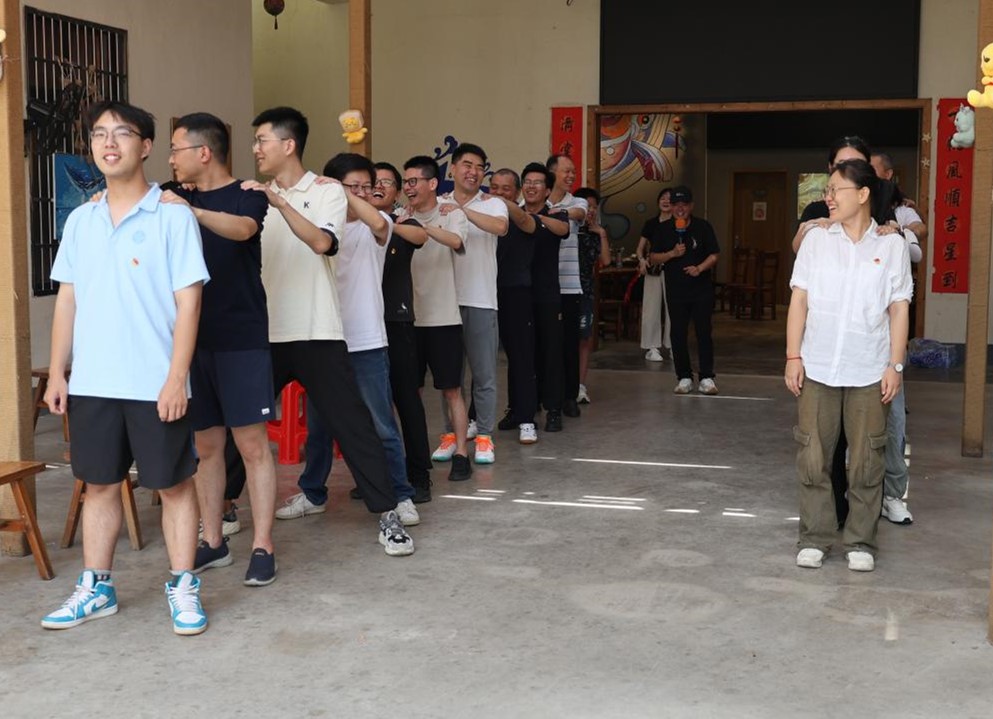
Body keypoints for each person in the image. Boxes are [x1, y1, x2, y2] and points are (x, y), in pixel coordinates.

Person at [42, 101, 210, 635]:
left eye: (121, 133)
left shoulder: (174, 217)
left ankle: (183, 585)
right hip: (94, 382)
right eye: (98, 134)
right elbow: (68, 300)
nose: (108, 143)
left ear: (146, 146)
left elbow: (189, 304)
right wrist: (58, 372)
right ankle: (97, 588)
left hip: (155, 382)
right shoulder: (82, 220)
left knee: (174, 485)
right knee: (99, 485)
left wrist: (176, 378)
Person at [242, 106, 411, 557]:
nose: (256, 148)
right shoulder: (254, 195)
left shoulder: (326, 191)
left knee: (354, 426)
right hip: (267, 332)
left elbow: (322, 242)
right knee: (240, 422)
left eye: (262, 140)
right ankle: (222, 508)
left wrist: (281, 203)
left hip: (318, 330)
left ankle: (388, 514)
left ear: (288, 144)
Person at [275, 154, 420, 549]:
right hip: (324, 339)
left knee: (381, 425)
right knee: (321, 426)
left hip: (366, 341)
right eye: (350, 186)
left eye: (365, 187)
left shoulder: (375, 225)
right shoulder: (319, 228)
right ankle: (313, 493)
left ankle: (400, 494)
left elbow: (379, 222)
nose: (361, 194)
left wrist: (342, 193)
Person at [161, 112, 279, 587]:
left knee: (251, 445)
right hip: (190, 342)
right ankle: (213, 541)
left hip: (241, 338)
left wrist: (190, 212)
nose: (171, 159)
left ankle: (263, 545)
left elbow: (243, 230)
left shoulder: (247, 195)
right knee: (206, 447)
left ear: (204, 152)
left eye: (176, 149)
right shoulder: (172, 195)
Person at [786, 159, 912, 573]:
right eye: (827, 190)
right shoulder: (816, 241)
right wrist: (793, 356)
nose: (828, 197)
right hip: (818, 366)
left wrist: (895, 365)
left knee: (866, 460)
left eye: (835, 189)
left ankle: (860, 540)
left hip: (869, 369)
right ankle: (815, 537)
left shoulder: (891, 246)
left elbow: (899, 308)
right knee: (813, 456)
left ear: (862, 194)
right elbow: (799, 300)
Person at [404, 155, 473, 481]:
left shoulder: (451, 213)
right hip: (408, 320)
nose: (408, 187)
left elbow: (456, 241)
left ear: (432, 183)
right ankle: (413, 457)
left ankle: (461, 454)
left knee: (451, 390)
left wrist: (422, 227)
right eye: (405, 182)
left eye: (414, 181)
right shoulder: (400, 216)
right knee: (409, 393)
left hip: (444, 318)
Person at [438, 143, 509, 465]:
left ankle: (484, 437)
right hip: (444, 302)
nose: (474, 171)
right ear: (452, 168)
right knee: (449, 377)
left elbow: (500, 228)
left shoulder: (493, 204)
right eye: (467, 165)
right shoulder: (438, 203)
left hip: (480, 299)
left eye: (480, 167)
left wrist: (461, 211)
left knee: (484, 376)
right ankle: (451, 435)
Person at [371, 161, 434, 503]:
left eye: (387, 182)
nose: (379, 186)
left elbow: (420, 236)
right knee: (370, 404)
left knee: (406, 398)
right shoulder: (354, 223)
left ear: (397, 191)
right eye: (374, 181)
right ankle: (377, 474)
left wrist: (384, 221)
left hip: (396, 321)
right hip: (363, 325)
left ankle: (419, 473)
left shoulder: (403, 222)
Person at [871, 152, 925, 526]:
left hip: (887, 345)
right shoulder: (837, 230)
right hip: (853, 344)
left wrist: (899, 232)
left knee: (893, 424)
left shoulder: (898, 223)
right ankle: (859, 494)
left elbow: (917, 247)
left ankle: (892, 494)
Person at [649, 186, 720, 395]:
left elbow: (715, 254)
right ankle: (684, 377)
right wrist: (672, 254)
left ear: (691, 206)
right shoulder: (663, 229)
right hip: (675, 289)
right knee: (678, 333)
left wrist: (700, 268)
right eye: (676, 205)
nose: (680, 209)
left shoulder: (703, 227)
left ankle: (706, 377)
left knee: (704, 332)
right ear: (671, 207)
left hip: (701, 289)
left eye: (684, 204)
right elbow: (653, 257)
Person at [490, 168, 540, 443]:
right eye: (494, 187)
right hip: (486, 293)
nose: (498, 193)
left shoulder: (524, 217)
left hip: (516, 293)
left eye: (505, 188)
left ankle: (527, 419)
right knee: (482, 360)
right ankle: (475, 418)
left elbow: (523, 220)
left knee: (521, 358)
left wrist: (497, 202)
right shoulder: (483, 215)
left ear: (517, 192)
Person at [523, 162, 571, 431]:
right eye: (527, 182)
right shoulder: (514, 214)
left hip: (548, 295)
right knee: (522, 355)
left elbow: (563, 230)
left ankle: (553, 409)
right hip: (519, 295)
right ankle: (522, 409)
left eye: (537, 182)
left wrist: (535, 219)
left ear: (548, 190)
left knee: (551, 353)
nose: (531, 186)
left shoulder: (556, 214)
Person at [546, 154, 588, 418]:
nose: (571, 176)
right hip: (543, 286)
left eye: (573, 171)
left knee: (569, 344)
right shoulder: (536, 201)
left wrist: (557, 213)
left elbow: (580, 214)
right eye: (566, 171)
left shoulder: (576, 201)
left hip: (570, 286)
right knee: (545, 344)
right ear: (552, 173)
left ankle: (569, 397)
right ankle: (545, 395)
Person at [573, 188, 612, 404]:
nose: (591, 210)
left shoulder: (596, 233)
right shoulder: (567, 228)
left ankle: (580, 386)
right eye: (587, 206)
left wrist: (601, 232)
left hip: (586, 292)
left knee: (584, 339)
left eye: (594, 207)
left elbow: (605, 261)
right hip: (563, 292)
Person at [636, 188, 673, 363]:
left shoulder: (679, 223)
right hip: (653, 269)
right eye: (662, 198)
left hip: (673, 269)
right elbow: (640, 248)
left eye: (669, 199)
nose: (666, 201)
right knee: (651, 308)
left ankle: (674, 346)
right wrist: (642, 260)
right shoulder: (651, 223)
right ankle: (652, 347)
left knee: (674, 309)